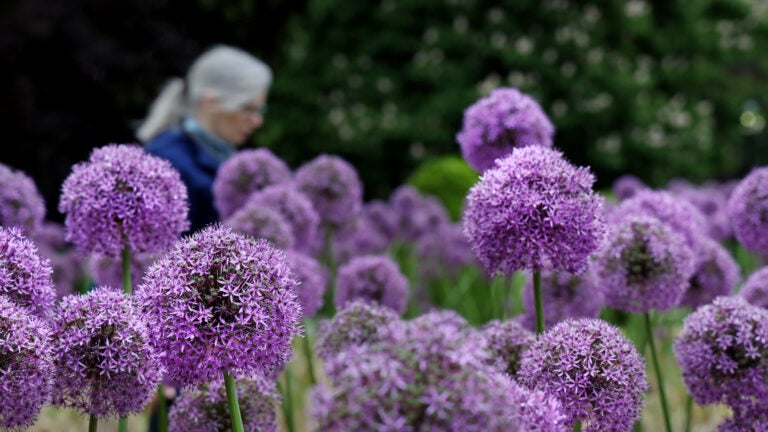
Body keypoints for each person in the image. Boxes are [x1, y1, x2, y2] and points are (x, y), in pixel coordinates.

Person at [137, 44, 272, 234]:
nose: (258, 121)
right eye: (248, 109)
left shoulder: (227, 158)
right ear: (210, 102)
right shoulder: (168, 162)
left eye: (260, 110)